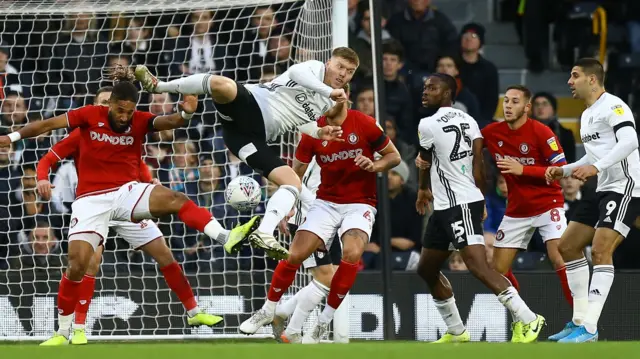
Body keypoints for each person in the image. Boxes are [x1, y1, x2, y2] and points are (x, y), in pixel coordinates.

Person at [0, 67, 258, 345]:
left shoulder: (138, 120)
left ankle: (223, 241)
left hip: (127, 194)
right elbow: (47, 127)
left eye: (129, 111)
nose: (124, 117)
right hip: (91, 201)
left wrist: (187, 113)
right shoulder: (86, 120)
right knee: (78, 264)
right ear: (107, 104)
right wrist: (13, 139)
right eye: (119, 110)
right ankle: (67, 330)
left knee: (173, 214)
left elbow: (171, 121)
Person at [35, 86, 221, 345]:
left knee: (164, 253)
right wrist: (42, 178)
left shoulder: (127, 131)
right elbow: (47, 158)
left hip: (127, 202)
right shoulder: (82, 133)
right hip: (95, 206)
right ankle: (76, 328)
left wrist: (149, 181)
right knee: (88, 263)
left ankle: (194, 311)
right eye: (102, 103)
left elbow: (139, 165)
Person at [134, 47, 359, 260]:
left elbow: (301, 119)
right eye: (340, 67)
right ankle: (159, 86)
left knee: (292, 182)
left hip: (247, 139)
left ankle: (265, 233)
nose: (343, 74)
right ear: (329, 62)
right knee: (223, 85)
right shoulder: (313, 69)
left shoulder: (326, 101)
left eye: (349, 72)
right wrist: (330, 91)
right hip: (252, 105)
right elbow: (296, 73)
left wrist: (319, 131)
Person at [238, 102, 401, 343]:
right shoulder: (312, 131)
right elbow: (295, 174)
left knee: (347, 258)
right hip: (319, 205)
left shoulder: (364, 124)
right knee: (305, 263)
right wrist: (289, 207)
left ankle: (315, 323)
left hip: (358, 204)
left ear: (345, 97)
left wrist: (374, 165)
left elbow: (393, 156)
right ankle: (276, 316)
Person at [414, 73, 544, 344]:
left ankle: (529, 317)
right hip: (450, 204)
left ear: (448, 93)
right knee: (426, 268)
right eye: (425, 87)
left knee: (478, 266)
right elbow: (479, 165)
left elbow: (423, 161)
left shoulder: (427, 124)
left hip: (458, 203)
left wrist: (422, 188)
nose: (425, 91)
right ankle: (457, 332)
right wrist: (481, 198)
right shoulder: (470, 120)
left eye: (432, 88)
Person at [546, 58, 640, 342]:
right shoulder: (586, 115)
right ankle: (578, 321)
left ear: (592, 79)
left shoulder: (614, 105)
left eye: (574, 75)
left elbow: (630, 141)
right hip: (602, 187)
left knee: (600, 251)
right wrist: (563, 170)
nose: (569, 81)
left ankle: (590, 328)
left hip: (625, 186)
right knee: (567, 246)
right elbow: (594, 155)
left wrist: (596, 169)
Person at [481, 85, 572, 341]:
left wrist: (524, 170)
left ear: (527, 107)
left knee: (559, 258)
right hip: (517, 209)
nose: (508, 106)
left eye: (515, 101)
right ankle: (525, 319)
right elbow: (468, 144)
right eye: (506, 101)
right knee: (496, 270)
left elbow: (562, 169)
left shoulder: (542, 132)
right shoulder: (492, 132)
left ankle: (580, 323)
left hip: (548, 203)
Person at [269, 155, 349, 344]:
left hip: (328, 217)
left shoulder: (340, 144)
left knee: (336, 279)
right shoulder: (328, 145)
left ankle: (282, 312)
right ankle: (292, 331)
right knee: (326, 278)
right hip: (311, 218)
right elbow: (295, 176)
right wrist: (288, 207)